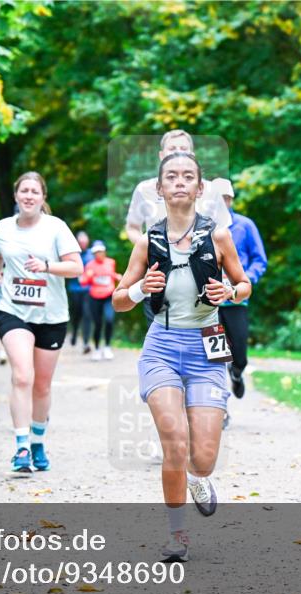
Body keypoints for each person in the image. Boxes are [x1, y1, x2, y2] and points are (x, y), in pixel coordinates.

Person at [113, 152, 251, 562]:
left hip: (207, 346)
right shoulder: (147, 241)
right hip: (162, 347)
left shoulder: (218, 237)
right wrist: (141, 290)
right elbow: (119, 301)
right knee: (174, 441)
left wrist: (228, 292)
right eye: (170, 176)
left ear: (199, 188)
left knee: (204, 458)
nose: (178, 182)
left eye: (187, 176)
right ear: (159, 189)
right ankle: (177, 537)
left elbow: (244, 285)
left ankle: (198, 478)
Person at [0, 171, 83, 473]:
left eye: (35, 192)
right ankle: (22, 447)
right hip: (12, 309)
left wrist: (47, 266)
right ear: (16, 196)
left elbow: (77, 267)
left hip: (51, 315)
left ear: (42, 198)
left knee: (41, 385)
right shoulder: (2, 228)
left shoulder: (56, 228)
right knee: (22, 376)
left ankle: (38, 442)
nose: (29, 196)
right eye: (24, 191)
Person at [125, 130, 233, 327]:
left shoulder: (210, 190)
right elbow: (132, 227)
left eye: (184, 149)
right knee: (160, 335)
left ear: (193, 154)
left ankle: (213, 355)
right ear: (161, 155)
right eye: (172, 148)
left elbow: (224, 234)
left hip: (203, 279)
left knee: (209, 338)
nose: (178, 153)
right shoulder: (145, 189)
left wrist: (226, 281)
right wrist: (148, 249)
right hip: (161, 278)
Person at [211, 178, 267, 404]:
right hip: (210, 304)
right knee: (215, 357)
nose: (222, 202)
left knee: (239, 352)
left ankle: (237, 372)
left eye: (226, 197)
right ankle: (220, 407)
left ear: (231, 199)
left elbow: (259, 260)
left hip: (236, 300)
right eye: (218, 198)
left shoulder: (245, 225)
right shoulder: (203, 227)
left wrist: (244, 281)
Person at [79, 240, 122, 360]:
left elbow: (111, 274)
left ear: (104, 252)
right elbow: (83, 282)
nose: (99, 254)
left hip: (109, 296)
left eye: (101, 251)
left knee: (109, 319)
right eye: (96, 252)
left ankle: (107, 347)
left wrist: (118, 276)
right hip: (94, 297)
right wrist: (88, 276)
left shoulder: (111, 262)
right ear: (93, 254)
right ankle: (97, 349)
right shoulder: (90, 265)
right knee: (97, 324)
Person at [67, 231, 94, 352]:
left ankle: (86, 342)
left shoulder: (92, 254)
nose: (83, 243)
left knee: (87, 314)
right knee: (76, 315)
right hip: (75, 289)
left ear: (87, 241)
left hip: (88, 290)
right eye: (80, 241)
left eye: (84, 240)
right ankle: (74, 332)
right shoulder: (72, 254)